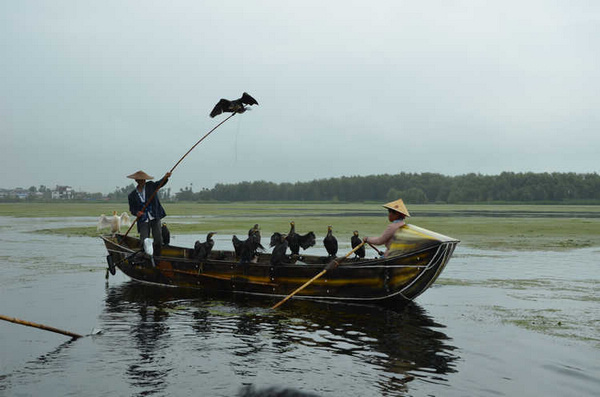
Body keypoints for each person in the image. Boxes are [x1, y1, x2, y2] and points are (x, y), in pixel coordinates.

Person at [127, 170, 171, 252]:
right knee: (144, 240)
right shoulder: (132, 195)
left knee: (158, 238)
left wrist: (165, 177)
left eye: (143, 180)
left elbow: (160, 184)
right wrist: (137, 213)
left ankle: (157, 255)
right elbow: (132, 209)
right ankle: (145, 256)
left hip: (154, 216)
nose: (142, 181)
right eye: (140, 180)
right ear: (136, 181)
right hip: (143, 219)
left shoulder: (151, 186)